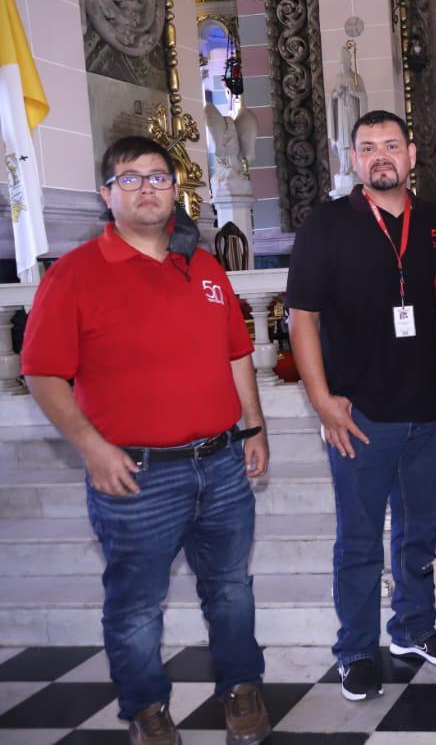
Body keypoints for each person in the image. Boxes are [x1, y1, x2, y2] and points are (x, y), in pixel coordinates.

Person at [22, 136, 271, 745]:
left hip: (219, 464)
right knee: (135, 607)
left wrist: (253, 425)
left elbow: (238, 352)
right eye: (129, 180)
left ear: (174, 190)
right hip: (135, 474)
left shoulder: (203, 266)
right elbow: (41, 371)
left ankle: (241, 688)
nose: (147, 189)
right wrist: (91, 447)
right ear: (107, 195)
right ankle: (146, 709)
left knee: (231, 589)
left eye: (158, 178)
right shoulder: (76, 275)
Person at [287, 110, 436, 702]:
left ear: (413, 155)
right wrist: (321, 400)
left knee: (419, 532)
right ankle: (357, 649)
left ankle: (413, 628)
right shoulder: (326, 224)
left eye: (392, 145)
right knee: (359, 541)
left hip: (431, 413)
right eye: (368, 147)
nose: (381, 156)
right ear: (352, 159)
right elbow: (302, 316)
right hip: (358, 414)